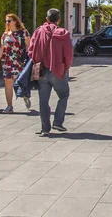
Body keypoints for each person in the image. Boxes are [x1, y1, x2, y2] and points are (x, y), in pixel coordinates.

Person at [28, 9, 74, 137]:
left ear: (47, 19)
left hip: (42, 70)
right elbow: (69, 55)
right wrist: (66, 68)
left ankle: (45, 128)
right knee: (64, 94)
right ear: (59, 19)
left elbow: (31, 50)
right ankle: (58, 121)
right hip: (58, 70)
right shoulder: (63, 34)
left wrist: (37, 62)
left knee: (43, 100)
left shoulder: (38, 31)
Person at [0, 14, 30, 113]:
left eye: (9, 21)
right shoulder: (5, 34)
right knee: (8, 83)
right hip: (7, 62)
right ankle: (9, 106)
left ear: (15, 21)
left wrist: (29, 60)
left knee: (21, 82)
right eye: (6, 21)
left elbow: (28, 47)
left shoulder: (23, 33)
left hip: (19, 62)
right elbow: (2, 48)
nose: (7, 23)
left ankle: (25, 95)